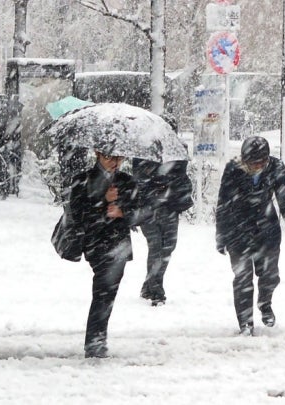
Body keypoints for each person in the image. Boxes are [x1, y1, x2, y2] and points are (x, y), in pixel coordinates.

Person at [216, 136, 285, 336]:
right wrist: (221, 235)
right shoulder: (233, 169)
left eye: (260, 162)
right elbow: (223, 203)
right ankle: (245, 323)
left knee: (270, 275)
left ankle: (265, 302)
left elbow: (284, 198)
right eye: (251, 163)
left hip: (267, 229)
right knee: (242, 278)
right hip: (238, 230)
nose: (256, 166)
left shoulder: (276, 167)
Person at [68, 149, 139, 358]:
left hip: (119, 245)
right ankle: (95, 341)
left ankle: (97, 339)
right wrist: (102, 200)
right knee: (103, 292)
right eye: (109, 157)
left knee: (107, 294)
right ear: (98, 155)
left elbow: (141, 212)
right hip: (96, 243)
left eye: (119, 157)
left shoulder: (127, 181)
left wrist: (122, 211)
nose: (114, 162)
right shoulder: (83, 180)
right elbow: (78, 214)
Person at [133, 158, 194, 306]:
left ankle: (148, 287)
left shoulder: (176, 154)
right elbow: (138, 181)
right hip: (148, 209)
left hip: (170, 208)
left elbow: (183, 179)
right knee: (156, 247)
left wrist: (171, 184)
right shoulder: (144, 154)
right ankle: (156, 292)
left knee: (168, 248)